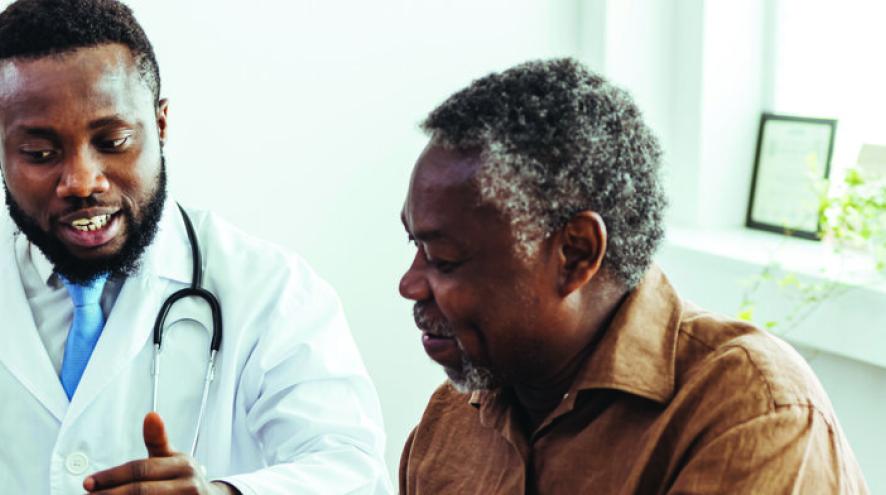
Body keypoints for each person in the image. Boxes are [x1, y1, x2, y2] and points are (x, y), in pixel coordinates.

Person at [397, 58, 868, 494]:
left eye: (445, 260)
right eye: (414, 245)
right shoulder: (450, 422)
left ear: (575, 254)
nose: (410, 285)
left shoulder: (753, 411)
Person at [0, 0, 391, 493]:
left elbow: (354, 471)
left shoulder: (271, 291)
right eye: (39, 153)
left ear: (161, 126)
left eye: (114, 141)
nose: (81, 181)